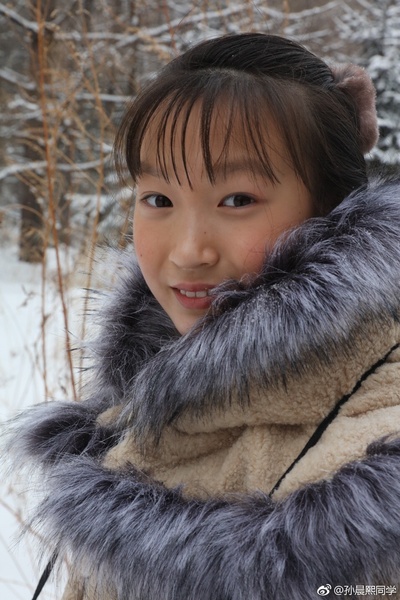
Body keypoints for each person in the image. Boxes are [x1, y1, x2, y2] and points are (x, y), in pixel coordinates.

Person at [7, 33, 400, 600]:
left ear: (332, 210)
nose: (189, 251)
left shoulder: (368, 480)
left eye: (237, 200)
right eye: (159, 200)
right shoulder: (137, 412)